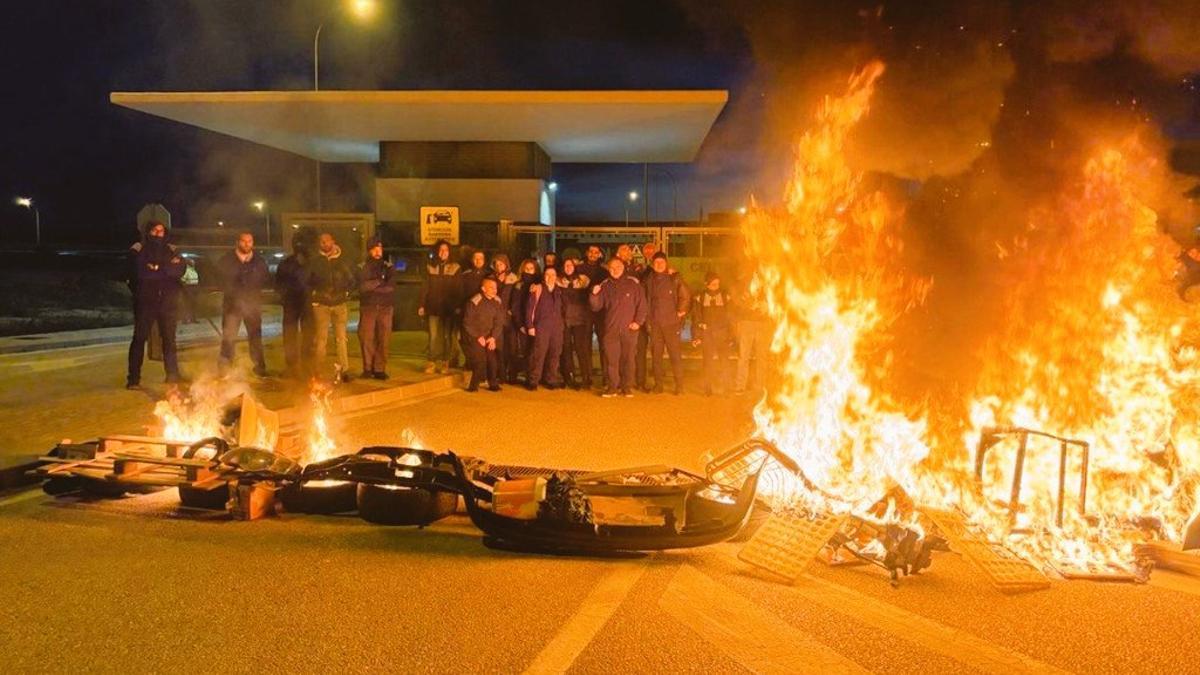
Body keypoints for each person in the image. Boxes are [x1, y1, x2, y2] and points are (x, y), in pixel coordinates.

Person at [126, 221, 185, 389]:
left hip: (167, 302)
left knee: (169, 340)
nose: (158, 234)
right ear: (148, 232)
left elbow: (179, 269)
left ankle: (173, 375)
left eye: (161, 231)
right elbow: (136, 271)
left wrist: (158, 269)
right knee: (139, 339)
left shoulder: (171, 249)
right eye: (155, 230)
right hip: (146, 301)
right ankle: (133, 379)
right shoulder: (138, 250)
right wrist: (161, 271)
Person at [589, 257, 647, 397]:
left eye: (618, 267)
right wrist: (594, 294)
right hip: (611, 329)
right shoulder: (605, 285)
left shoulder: (633, 285)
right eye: (612, 268)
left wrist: (637, 322)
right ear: (609, 269)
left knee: (628, 359)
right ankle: (612, 387)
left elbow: (643, 306)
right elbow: (596, 307)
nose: (615, 270)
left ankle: (626, 387)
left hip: (629, 330)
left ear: (623, 267)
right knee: (611, 360)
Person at [216, 231, 270, 377]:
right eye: (244, 241)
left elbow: (264, 278)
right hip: (232, 305)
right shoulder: (226, 260)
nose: (247, 244)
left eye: (250, 241)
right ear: (237, 242)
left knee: (255, 337)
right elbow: (221, 278)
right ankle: (225, 368)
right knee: (229, 336)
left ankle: (259, 367)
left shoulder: (259, 261)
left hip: (252, 305)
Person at [308, 232, 356, 382]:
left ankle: (345, 370)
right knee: (321, 340)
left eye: (327, 241)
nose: (324, 244)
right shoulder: (315, 262)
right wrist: (314, 297)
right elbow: (308, 281)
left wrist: (346, 293)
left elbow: (352, 279)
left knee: (341, 339)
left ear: (333, 242)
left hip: (339, 304)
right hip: (321, 305)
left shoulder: (343, 260)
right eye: (322, 242)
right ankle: (318, 371)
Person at [643, 252, 690, 394]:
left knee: (675, 356)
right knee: (656, 357)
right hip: (655, 324)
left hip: (671, 324)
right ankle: (659, 386)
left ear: (666, 264)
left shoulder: (675, 278)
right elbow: (644, 300)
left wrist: (681, 311)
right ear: (652, 264)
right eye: (656, 262)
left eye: (661, 262)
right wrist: (647, 321)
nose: (659, 265)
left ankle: (679, 386)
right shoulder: (648, 279)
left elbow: (686, 295)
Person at [417, 240, 462, 374]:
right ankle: (431, 361)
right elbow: (425, 287)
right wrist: (421, 304)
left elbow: (458, 289)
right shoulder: (430, 267)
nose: (443, 253)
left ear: (450, 252)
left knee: (447, 336)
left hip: (449, 308)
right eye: (441, 250)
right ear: (437, 252)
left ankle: (445, 362)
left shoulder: (455, 267)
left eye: (446, 250)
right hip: (433, 307)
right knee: (433, 336)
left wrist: (457, 306)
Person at [275, 233, 314, 379]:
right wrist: (284, 295)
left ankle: (307, 367)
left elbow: (318, 280)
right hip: (291, 303)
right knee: (290, 335)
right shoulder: (286, 263)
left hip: (307, 302)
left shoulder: (312, 262)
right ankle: (291, 367)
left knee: (308, 336)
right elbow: (278, 283)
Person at [358, 238, 396, 380]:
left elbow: (391, 287)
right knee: (366, 337)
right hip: (368, 307)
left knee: (384, 338)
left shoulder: (388, 266)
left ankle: (379, 369)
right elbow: (362, 287)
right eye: (375, 248)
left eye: (380, 248)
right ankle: (368, 368)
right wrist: (380, 281)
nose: (378, 251)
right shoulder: (362, 266)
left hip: (386, 307)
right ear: (369, 250)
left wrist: (373, 285)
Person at [525, 266, 566, 391]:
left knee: (554, 354)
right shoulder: (538, 289)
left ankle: (550, 379)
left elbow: (564, 308)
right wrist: (530, 326)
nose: (550, 277)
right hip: (541, 326)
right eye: (547, 274)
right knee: (538, 354)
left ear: (556, 276)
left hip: (557, 327)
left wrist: (562, 324)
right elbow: (529, 309)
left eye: (553, 274)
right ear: (544, 276)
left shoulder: (559, 290)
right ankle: (533, 380)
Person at [692, 271, 733, 396]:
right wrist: (697, 336)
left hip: (723, 335)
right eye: (713, 283)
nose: (716, 285)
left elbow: (731, 317)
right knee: (708, 363)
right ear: (706, 284)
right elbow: (696, 317)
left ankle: (726, 389)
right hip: (707, 334)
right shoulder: (700, 297)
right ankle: (707, 389)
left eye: (717, 283)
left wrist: (731, 337)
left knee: (724, 363)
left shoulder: (726, 296)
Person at [462, 277, 505, 392]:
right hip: (475, 336)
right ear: (483, 289)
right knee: (480, 361)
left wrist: (493, 338)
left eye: (495, 287)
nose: (494, 290)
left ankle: (493, 384)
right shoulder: (474, 301)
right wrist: (477, 336)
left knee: (492, 361)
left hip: (489, 336)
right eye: (491, 287)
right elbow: (467, 322)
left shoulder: (497, 301)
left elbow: (499, 322)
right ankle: (473, 386)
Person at [576, 244, 609, 387]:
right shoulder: (579, 268)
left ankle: (607, 377)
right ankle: (586, 377)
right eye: (591, 251)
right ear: (586, 252)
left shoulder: (605, 271)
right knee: (585, 345)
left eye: (596, 252)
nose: (593, 254)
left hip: (601, 312)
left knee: (604, 345)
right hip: (584, 310)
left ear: (600, 255)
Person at [734, 275, 772, 394]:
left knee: (762, 357)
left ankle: (760, 385)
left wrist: (767, 307)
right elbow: (737, 302)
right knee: (744, 356)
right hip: (747, 324)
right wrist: (750, 305)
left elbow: (776, 305)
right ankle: (740, 385)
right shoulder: (744, 285)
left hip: (763, 325)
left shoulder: (770, 286)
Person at [557, 258, 592, 389]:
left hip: (580, 320)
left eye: (570, 265)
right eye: (566, 265)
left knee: (581, 349)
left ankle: (586, 377)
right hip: (564, 320)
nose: (568, 267)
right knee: (566, 350)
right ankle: (569, 377)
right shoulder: (558, 281)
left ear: (574, 267)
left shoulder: (583, 281)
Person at [488, 254, 520, 384]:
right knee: (499, 347)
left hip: (509, 318)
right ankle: (500, 375)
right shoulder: (490, 278)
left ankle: (512, 374)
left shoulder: (513, 278)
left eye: (501, 264)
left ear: (506, 265)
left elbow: (516, 296)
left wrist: (512, 310)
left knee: (512, 347)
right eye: (496, 264)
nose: (499, 266)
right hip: (496, 317)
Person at [510, 258, 541, 384]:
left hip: (538, 324)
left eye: (531, 269)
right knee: (526, 351)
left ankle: (536, 377)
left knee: (537, 351)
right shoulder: (519, 285)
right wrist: (520, 324)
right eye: (526, 269)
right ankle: (528, 377)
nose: (528, 271)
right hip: (523, 324)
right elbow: (515, 306)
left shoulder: (540, 284)